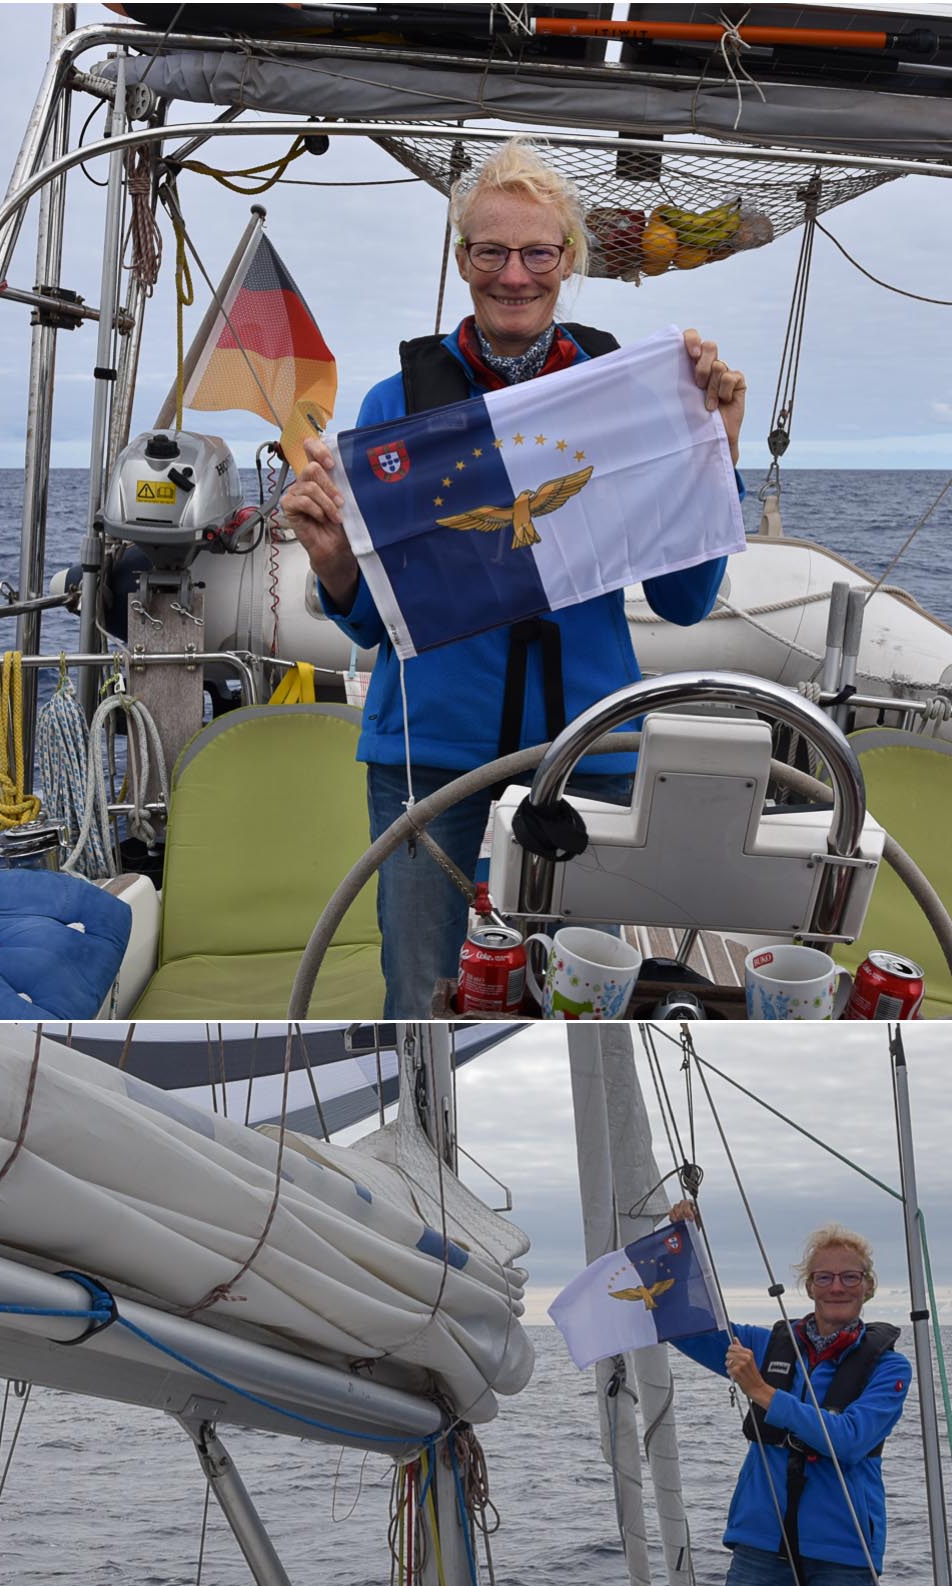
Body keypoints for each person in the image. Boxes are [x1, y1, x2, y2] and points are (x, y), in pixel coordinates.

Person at [281, 137, 751, 1014]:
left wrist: (713, 449)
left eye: (538, 252)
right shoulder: (399, 405)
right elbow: (382, 627)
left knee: (584, 998)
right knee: (420, 994)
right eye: (491, 251)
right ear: (462, 260)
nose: (515, 274)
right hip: (431, 750)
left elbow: (684, 604)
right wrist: (338, 565)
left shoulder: (633, 391)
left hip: (588, 749)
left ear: (569, 260)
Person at [661, 1202, 908, 1586]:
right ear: (808, 1284)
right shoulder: (769, 1345)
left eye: (850, 1276)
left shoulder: (889, 1367)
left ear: (869, 1287)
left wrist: (765, 1394)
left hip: (844, 1557)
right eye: (825, 1276)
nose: (837, 1286)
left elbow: (849, 1439)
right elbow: (687, 1325)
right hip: (762, 1549)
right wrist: (681, 1241)